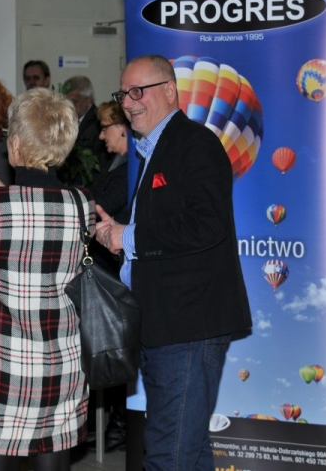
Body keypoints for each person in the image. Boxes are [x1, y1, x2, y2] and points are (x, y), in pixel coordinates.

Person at [94, 54, 251, 471]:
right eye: (123, 94)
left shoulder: (194, 143)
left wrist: (128, 236)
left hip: (188, 326)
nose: (128, 103)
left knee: (169, 454)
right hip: (166, 323)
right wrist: (117, 234)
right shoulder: (156, 149)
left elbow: (206, 225)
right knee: (188, 450)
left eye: (137, 91)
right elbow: (168, 230)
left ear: (168, 90)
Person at [0, 88, 92, 471]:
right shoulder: (82, 205)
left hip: (5, 359)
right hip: (61, 359)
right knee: (53, 456)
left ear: (14, 144)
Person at [61, 75, 110, 186]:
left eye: (74, 102)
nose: (69, 107)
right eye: (66, 103)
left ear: (88, 101)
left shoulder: (98, 123)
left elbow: (99, 164)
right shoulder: (68, 121)